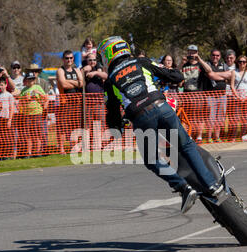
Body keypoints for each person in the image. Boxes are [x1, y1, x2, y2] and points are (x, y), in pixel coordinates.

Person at [97, 36, 224, 214]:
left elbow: (111, 113)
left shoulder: (110, 81)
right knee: (186, 145)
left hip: (141, 118)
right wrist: (166, 78)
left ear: (108, 55)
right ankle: (212, 186)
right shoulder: (141, 62)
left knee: (151, 160)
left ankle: (183, 187)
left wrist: (117, 129)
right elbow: (176, 76)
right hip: (162, 108)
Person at [199, 49, 232, 143]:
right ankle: (209, 137)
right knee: (211, 117)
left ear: (220, 56)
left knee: (220, 117)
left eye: (217, 55)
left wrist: (214, 74)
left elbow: (229, 75)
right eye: (213, 55)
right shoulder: (207, 65)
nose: (215, 57)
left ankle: (217, 137)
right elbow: (210, 76)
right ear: (211, 55)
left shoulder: (224, 65)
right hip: (210, 96)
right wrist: (221, 76)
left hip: (222, 95)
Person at [56, 50, 84, 154]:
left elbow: (82, 83)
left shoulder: (76, 70)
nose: (69, 60)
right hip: (65, 102)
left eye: (71, 58)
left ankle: (74, 147)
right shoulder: (60, 70)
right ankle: (62, 149)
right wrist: (76, 83)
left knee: (75, 126)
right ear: (63, 59)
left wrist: (71, 82)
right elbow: (63, 84)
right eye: (67, 58)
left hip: (76, 102)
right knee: (63, 127)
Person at [180, 45, 205, 143]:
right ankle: (188, 136)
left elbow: (209, 70)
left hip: (198, 94)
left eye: (194, 52)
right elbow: (176, 73)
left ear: (197, 53)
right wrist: (181, 64)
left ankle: (199, 136)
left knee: (199, 116)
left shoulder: (200, 64)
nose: (191, 54)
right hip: (186, 94)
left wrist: (199, 59)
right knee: (186, 116)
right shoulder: (184, 65)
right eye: (190, 52)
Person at [19, 72, 47, 158]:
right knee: (28, 134)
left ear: (34, 80)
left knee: (37, 133)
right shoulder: (24, 90)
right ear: (26, 80)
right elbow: (20, 102)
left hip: (37, 113)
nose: (31, 81)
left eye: (32, 79)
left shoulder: (38, 87)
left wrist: (38, 92)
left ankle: (37, 152)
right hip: (27, 114)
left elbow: (46, 98)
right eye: (29, 79)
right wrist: (24, 98)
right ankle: (29, 152)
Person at [229, 55, 247, 141]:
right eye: (240, 62)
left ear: (246, 63)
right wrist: (237, 96)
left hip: (246, 98)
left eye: (244, 62)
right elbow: (232, 86)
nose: (242, 63)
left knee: (245, 118)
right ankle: (234, 136)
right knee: (235, 118)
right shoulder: (233, 72)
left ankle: (243, 135)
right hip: (236, 98)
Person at [0, 77, 17, 160]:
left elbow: (12, 108)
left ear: (6, 85)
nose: (0, 87)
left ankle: (8, 154)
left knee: (7, 137)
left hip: (6, 118)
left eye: (2, 85)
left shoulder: (9, 95)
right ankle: (1, 154)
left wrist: (10, 120)